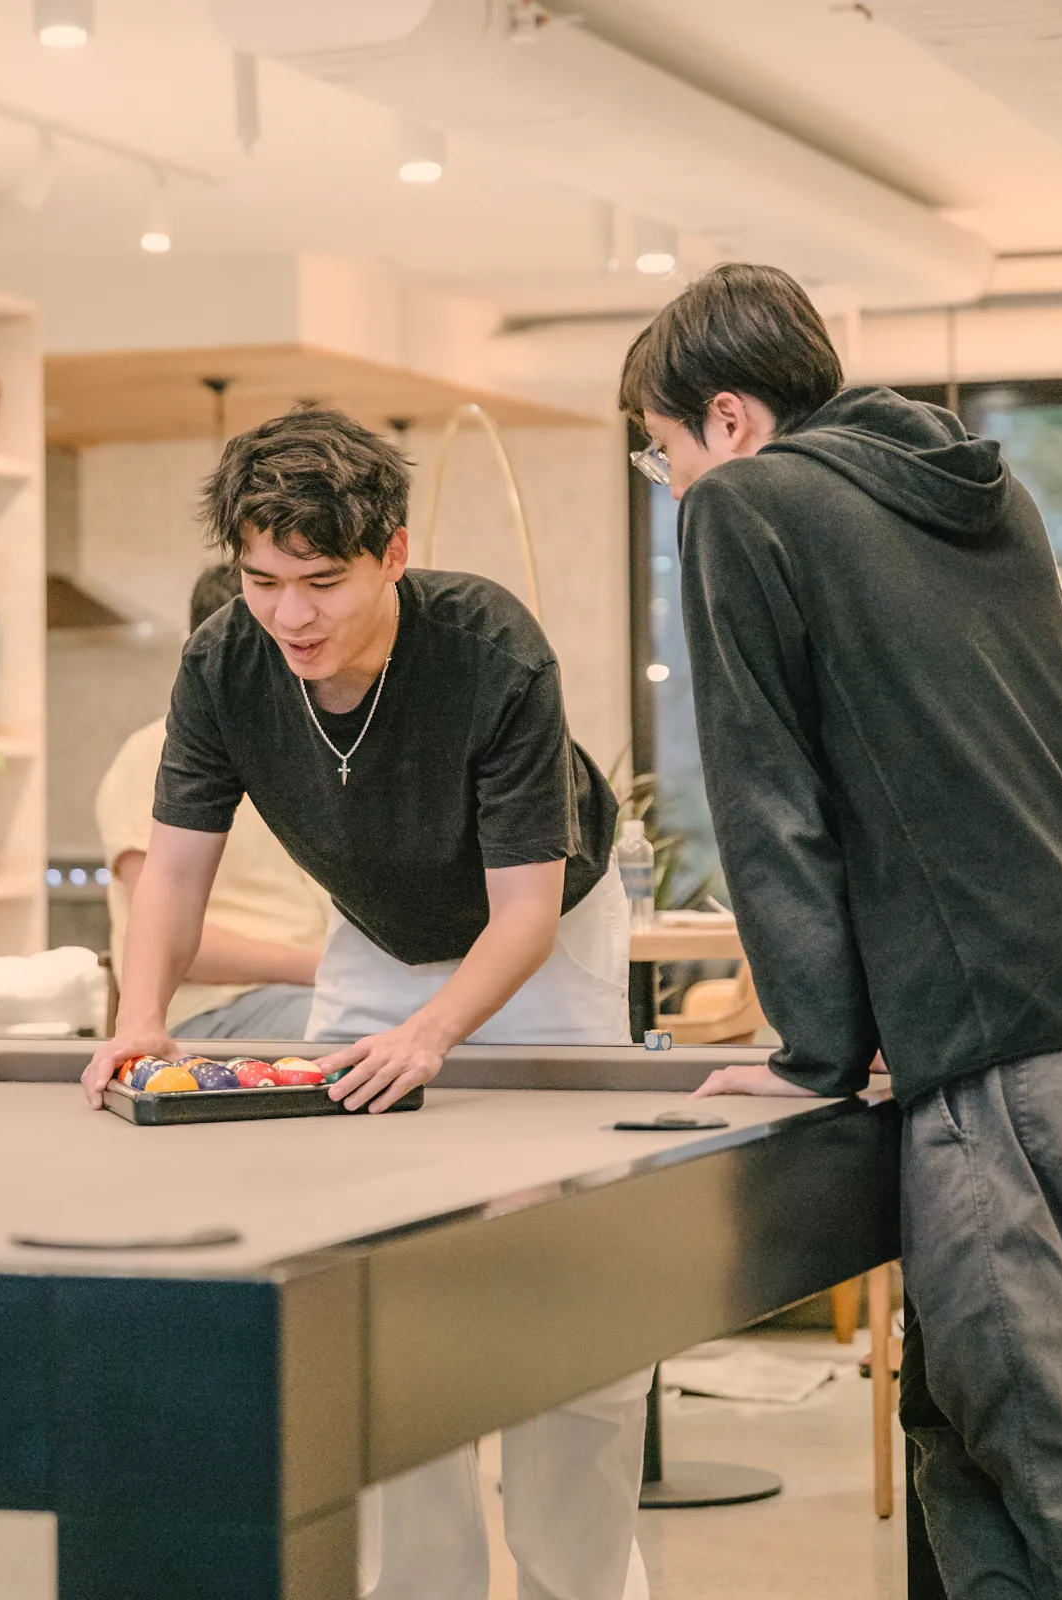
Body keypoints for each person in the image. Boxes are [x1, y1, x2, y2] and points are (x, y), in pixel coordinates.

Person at [623, 264, 1062, 1600]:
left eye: (660, 454)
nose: (671, 484)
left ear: (729, 418)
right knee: (963, 1425)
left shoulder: (748, 503)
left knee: (1048, 1455)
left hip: (997, 1040)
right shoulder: (982, 493)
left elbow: (769, 804)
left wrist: (815, 1052)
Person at [81, 407, 650, 1600]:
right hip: (376, 932)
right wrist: (140, 1017)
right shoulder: (225, 662)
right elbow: (171, 874)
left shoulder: (489, 647)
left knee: (570, 1275)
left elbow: (526, 912)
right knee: (369, 1278)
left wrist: (432, 1032)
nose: (291, 614)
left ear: (393, 553)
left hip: (544, 936)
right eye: (263, 581)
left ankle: (578, 1582)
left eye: (322, 582)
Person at [96, 562, 331, 1040]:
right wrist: (326, 969)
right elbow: (162, 932)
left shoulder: (320, 745)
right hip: (218, 1008)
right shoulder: (153, 754)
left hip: (323, 992)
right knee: (366, 1030)